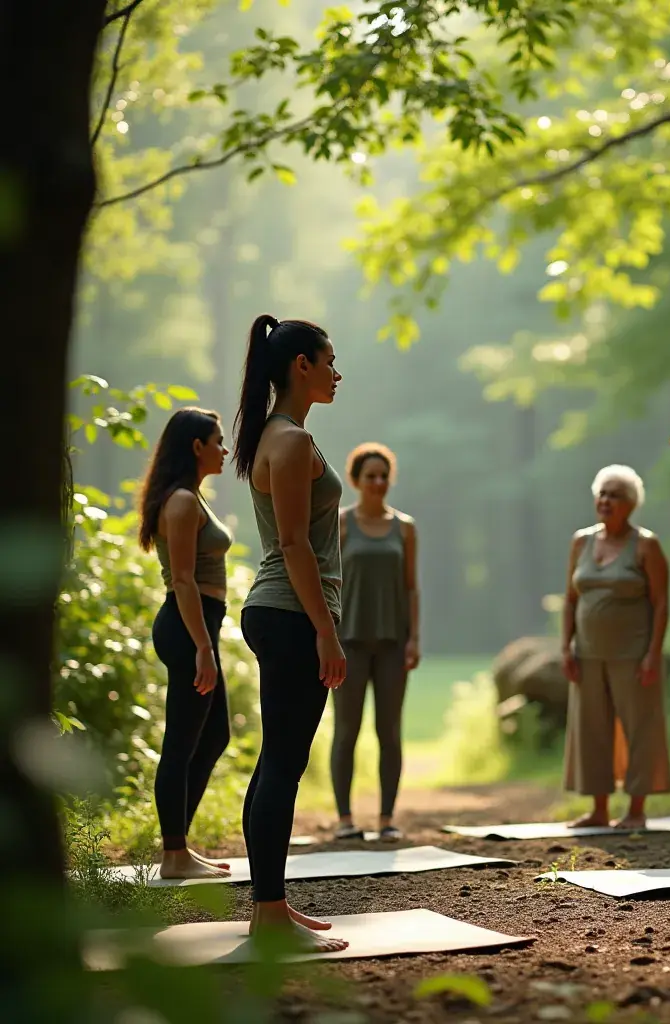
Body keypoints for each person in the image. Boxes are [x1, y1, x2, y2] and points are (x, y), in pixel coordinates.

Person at [233, 313, 348, 952]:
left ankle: (269, 908)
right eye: (328, 361)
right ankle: (270, 913)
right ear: (300, 365)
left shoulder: (271, 436)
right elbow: (295, 543)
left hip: (271, 610)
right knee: (283, 763)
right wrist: (326, 632)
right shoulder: (294, 443)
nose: (337, 373)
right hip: (291, 612)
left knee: (274, 762)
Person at [139, 407, 234, 880]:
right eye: (217, 440)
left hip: (199, 627)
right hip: (186, 628)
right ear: (196, 446)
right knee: (180, 742)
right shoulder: (179, 501)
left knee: (215, 734)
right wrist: (202, 647)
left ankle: (179, 845)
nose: (224, 448)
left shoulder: (191, 497)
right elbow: (181, 579)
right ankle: (174, 854)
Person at [560, 464, 670, 830]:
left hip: (633, 654)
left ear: (631, 504)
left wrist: (654, 653)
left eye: (615, 495)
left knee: (640, 727)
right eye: (602, 493)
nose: (606, 501)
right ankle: (598, 809)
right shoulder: (581, 541)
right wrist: (566, 647)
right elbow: (569, 599)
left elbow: (661, 602)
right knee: (591, 728)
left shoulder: (646, 545)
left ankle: (636, 810)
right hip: (587, 653)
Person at [330, 443, 420, 842]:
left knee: (390, 731)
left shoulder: (406, 527)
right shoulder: (340, 524)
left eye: (384, 476)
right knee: (347, 730)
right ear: (356, 481)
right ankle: (346, 819)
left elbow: (411, 588)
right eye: (371, 476)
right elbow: (326, 582)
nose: (379, 483)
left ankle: (386, 818)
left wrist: (414, 638)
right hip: (348, 640)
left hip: (392, 643)